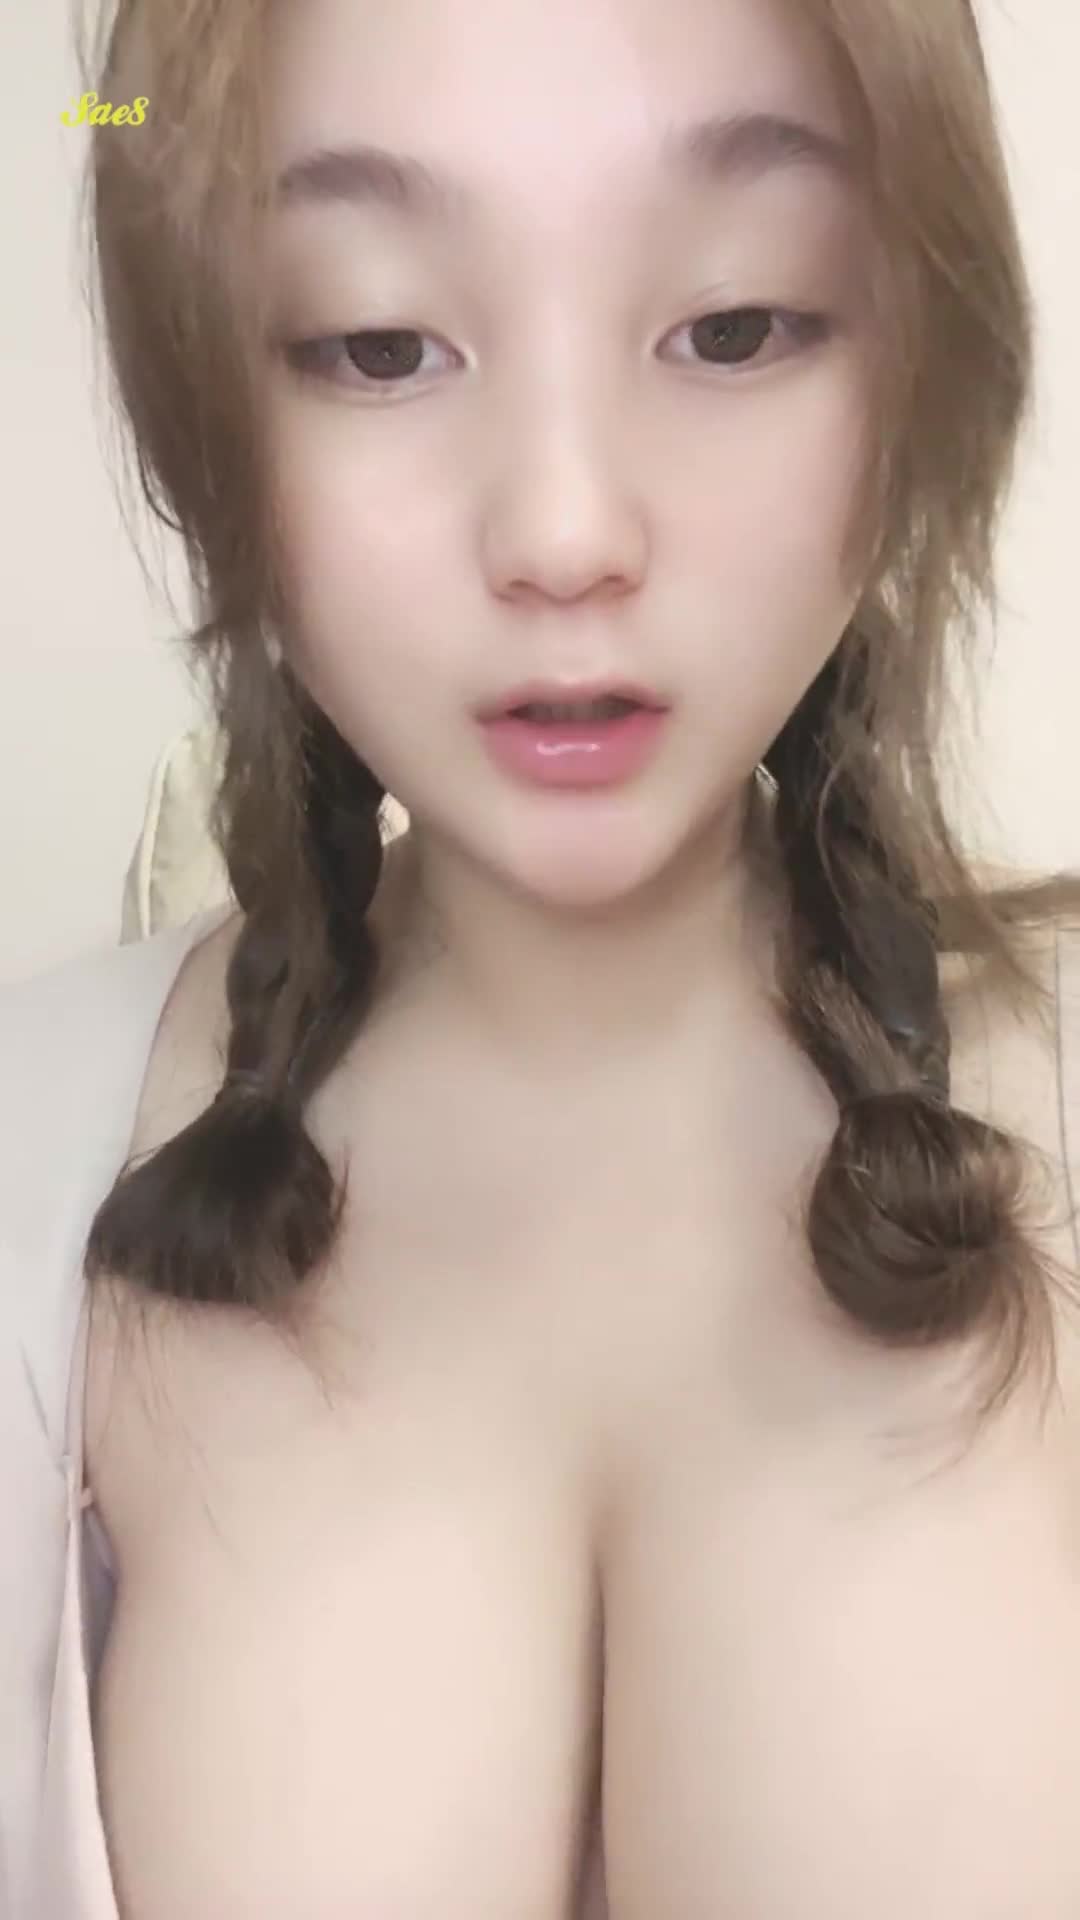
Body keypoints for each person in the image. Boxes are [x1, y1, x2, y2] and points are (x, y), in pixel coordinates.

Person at [4, 0, 1080, 1912]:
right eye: (377, 345)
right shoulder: (32, 1168)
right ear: (202, 400)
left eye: (735, 327)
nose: (567, 529)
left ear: (922, 355)